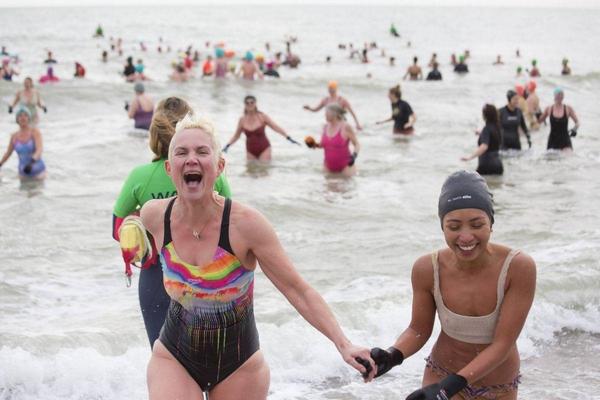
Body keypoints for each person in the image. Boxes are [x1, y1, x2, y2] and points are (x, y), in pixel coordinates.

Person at [131, 112, 375, 399]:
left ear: (219, 166)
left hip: (239, 365)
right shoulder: (154, 215)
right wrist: (131, 234)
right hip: (173, 357)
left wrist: (343, 344)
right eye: (182, 153)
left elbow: (298, 289)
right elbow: (132, 230)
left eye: (202, 151)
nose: (191, 159)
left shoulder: (246, 225)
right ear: (170, 168)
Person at [367, 170, 536, 400]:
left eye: (477, 224)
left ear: (491, 223)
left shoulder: (518, 267)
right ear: (443, 227)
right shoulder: (427, 268)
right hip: (441, 374)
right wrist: (393, 355)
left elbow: (502, 344)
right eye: (454, 227)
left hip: (497, 388)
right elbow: (418, 329)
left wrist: (449, 387)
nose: (466, 237)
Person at [113, 97, 232, 347]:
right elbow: (231, 226)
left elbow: (117, 228)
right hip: (207, 274)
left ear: (154, 135)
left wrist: (139, 223)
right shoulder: (212, 173)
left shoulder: (140, 177)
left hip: (156, 274)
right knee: (210, 358)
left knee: (162, 357)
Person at [222, 95, 299, 162]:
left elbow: (275, 127)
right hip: (250, 150)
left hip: (264, 148)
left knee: (264, 170)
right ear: (244, 105)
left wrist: (288, 137)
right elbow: (236, 136)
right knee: (250, 173)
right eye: (247, 103)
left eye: (252, 102)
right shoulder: (242, 120)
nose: (250, 104)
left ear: (255, 104)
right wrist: (227, 145)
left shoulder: (262, 116)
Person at [306, 104, 360, 176]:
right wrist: (313, 144)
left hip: (346, 166)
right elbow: (322, 145)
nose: (325, 115)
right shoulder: (325, 127)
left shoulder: (346, 127)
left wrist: (354, 156)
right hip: (328, 167)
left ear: (335, 114)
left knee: (347, 186)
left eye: (327, 113)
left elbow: (357, 144)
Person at [0, 107, 46, 180]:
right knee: (21, 191)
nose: (23, 117)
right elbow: (8, 154)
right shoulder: (14, 136)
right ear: (17, 119)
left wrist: (31, 162)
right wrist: (0, 164)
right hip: (23, 173)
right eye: (20, 116)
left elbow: (39, 150)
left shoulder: (35, 132)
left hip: (38, 173)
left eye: (25, 115)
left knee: (37, 191)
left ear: (29, 118)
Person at [461, 104, 503, 175]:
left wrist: (469, 157)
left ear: (485, 116)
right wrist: (481, 134)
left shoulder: (486, 129)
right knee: (496, 185)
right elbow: (493, 139)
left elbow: (484, 146)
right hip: (498, 165)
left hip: (486, 165)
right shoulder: (497, 127)